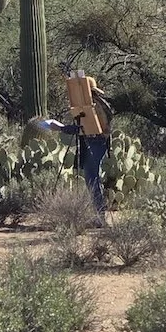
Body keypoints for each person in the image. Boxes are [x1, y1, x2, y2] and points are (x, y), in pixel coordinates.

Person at [59, 85, 113, 227]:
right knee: (91, 178)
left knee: (93, 178)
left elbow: (102, 127)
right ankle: (98, 215)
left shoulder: (98, 105)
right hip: (92, 141)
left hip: (96, 142)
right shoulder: (92, 105)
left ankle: (100, 216)